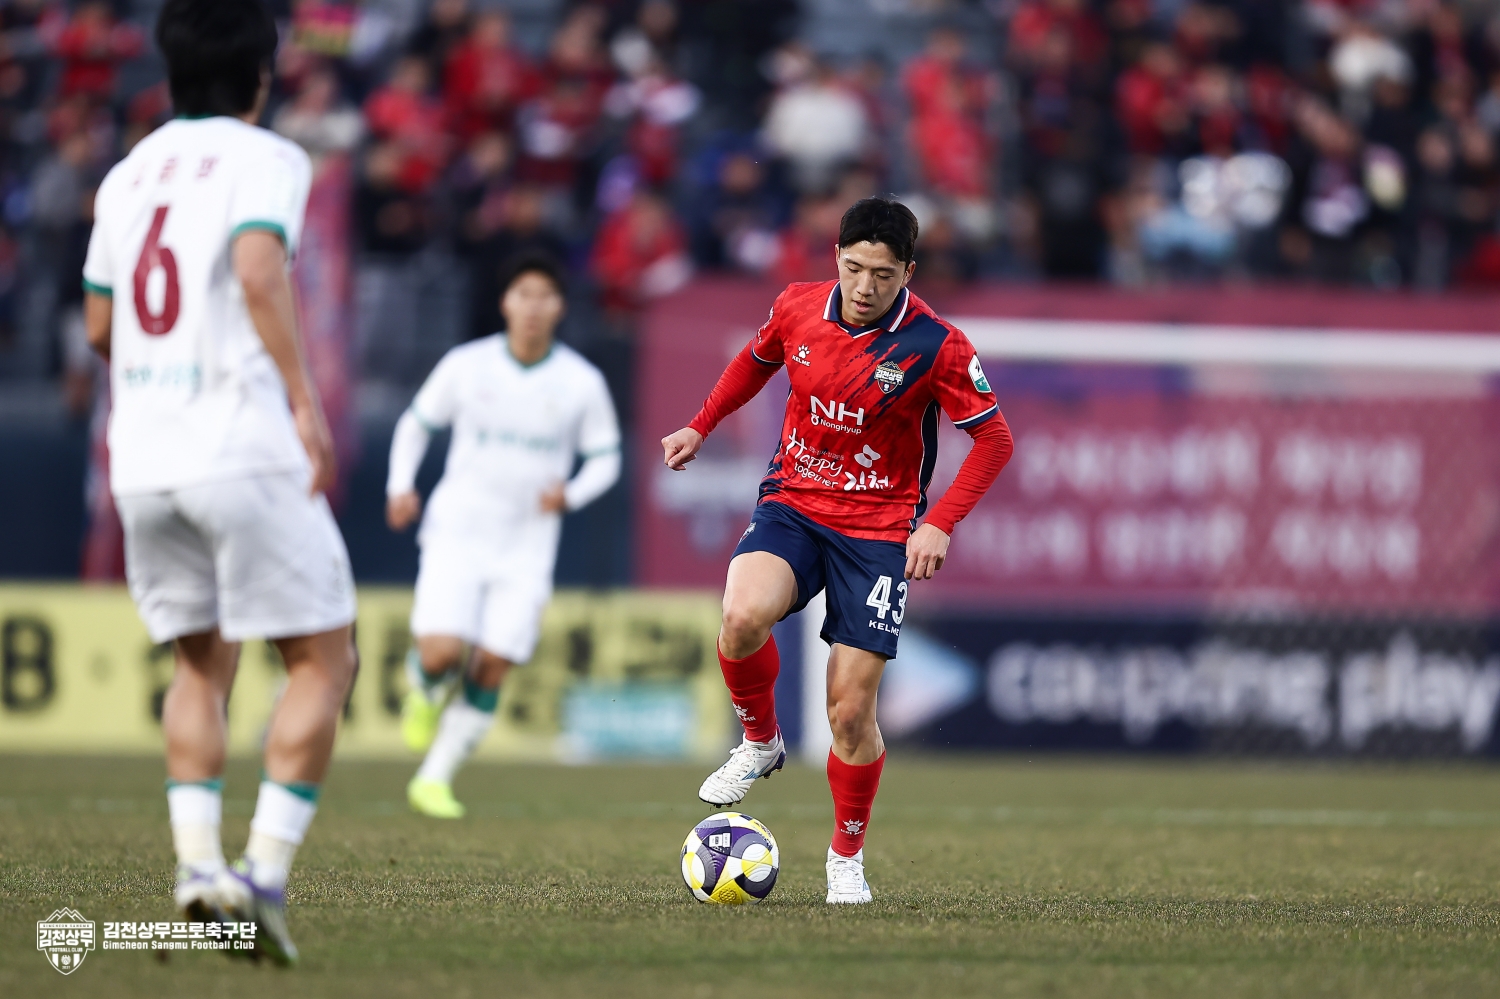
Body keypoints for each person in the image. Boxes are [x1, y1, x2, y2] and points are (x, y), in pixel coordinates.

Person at [81, 0, 356, 966]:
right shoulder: (267, 157)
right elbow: (255, 265)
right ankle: (263, 877)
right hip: (239, 443)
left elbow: (100, 328)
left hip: (143, 458)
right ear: (261, 75)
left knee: (200, 665)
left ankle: (199, 870)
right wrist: (303, 401)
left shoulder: (126, 175)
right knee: (323, 659)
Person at [660, 197, 1014, 904]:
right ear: (836, 259)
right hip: (794, 503)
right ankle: (760, 741)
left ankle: (845, 858)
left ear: (908, 272)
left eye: (882, 274)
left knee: (849, 714)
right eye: (853, 268)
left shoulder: (935, 344)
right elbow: (755, 361)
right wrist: (701, 424)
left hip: (878, 532)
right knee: (741, 616)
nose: (864, 286)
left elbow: (994, 440)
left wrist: (939, 522)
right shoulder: (797, 306)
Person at [387, 253, 621, 818]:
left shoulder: (581, 382)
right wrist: (399, 486)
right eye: (523, 294)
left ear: (560, 307)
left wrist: (571, 493)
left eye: (545, 296)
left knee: (492, 663)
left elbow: (606, 458)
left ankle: (434, 779)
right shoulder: (467, 365)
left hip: (526, 545)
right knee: (442, 654)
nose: (533, 307)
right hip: (458, 531)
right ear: (505, 303)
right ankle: (424, 690)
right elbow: (416, 424)